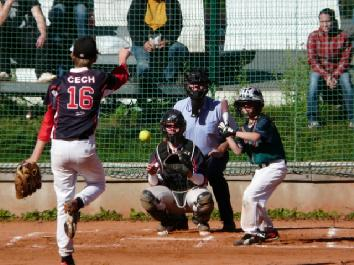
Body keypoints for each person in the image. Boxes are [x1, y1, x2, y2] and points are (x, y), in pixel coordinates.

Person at [25, 37, 130, 265]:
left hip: (59, 148)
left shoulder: (58, 83)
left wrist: (34, 157)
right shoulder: (100, 78)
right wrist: (122, 60)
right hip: (84, 147)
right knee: (98, 184)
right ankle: (79, 203)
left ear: (72, 55)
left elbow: (47, 122)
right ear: (94, 58)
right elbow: (121, 78)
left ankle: (65, 256)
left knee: (63, 199)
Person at [218, 87, 287, 245]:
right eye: (243, 104)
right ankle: (268, 230)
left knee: (250, 196)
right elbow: (237, 150)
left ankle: (251, 232)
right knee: (258, 200)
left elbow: (256, 137)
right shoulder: (244, 128)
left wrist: (233, 132)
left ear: (258, 105)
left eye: (249, 104)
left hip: (275, 166)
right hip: (262, 169)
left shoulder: (264, 121)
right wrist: (227, 136)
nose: (245, 107)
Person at [173, 68, 237, 232]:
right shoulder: (179, 106)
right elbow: (172, 133)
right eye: (193, 84)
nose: (196, 88)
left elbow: (232, 135)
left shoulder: (217, 107)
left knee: (215, 176)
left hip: (212, 155)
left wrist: (222, 147)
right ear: (187, 86)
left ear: (206, 86)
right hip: (187, 156)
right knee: (176, 176)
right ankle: (180, 219)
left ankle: (228, 220)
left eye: (200, 84)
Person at [140, 109, 214, 236]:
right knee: (147, 197)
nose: (172, 129)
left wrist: (189, 174)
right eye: (169, 126)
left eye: (176, 126)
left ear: (183, 127)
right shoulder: (159, 150)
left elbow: (202, 180)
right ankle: (169, 221)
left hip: (191, 193)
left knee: (205, 198)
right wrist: (152, 174)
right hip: (170, 195)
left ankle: (201, 221)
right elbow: (154, 183)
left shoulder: (192, 149)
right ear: (164, 128)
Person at [307, 8, 354, 128]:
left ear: (333, 21)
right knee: (313, 83)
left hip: (338, 70)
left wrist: (335, 75)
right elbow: (313, 60)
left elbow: (345, 60)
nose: (325, 24)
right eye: (322, 21)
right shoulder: (313, 37)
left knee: (347, 83)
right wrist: (327, 76)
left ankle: (352, 118)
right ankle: (312, 120)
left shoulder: (343, 36)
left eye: (328, 21)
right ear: (319, 22)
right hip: (320, 70)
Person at [127, 0, 189, 87]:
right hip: (142, 42)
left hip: (164, 40)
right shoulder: (138, 2)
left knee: (179, 48)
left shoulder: (172, 2)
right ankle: (142, 89)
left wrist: (167, 40)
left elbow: (177, 25)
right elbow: (132, 24)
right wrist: (143, 42)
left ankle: (167, 84)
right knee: (143, 64)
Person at [36, 0, 94, 82]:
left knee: (81, 10)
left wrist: (91, 10)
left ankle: (83, 47)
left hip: (80, 4)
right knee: (58, 10)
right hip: (61, 4)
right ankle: (57, 39)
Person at [0, 0, 46, 80]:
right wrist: (8, 3)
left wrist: (43, 33)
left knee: (41, 33)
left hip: (26, 36)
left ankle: (42, 73)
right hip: (8, 38)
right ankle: (4, 71)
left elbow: (38, 16)